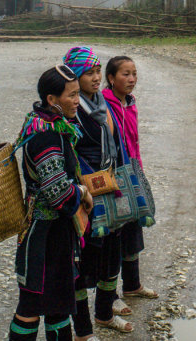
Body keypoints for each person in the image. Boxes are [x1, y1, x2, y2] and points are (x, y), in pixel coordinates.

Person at [8, 64, 92, 341]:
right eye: (71, 95)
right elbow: (58, 193)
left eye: (78, 94)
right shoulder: (46, 136)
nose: (77, 101)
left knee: (58, 305)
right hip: (43, 238)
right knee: (31, 307)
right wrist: (83, 191)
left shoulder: (48, 125)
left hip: (54, 233)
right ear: (51, 100)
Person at [63, 46, 133, 337]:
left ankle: (104, 313)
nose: (95, 78)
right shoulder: (73, 112)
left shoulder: (102, 105)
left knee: (111, 256)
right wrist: (88, 183)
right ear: (74, 77)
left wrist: (125, 179)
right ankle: (83, 329)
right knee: (83, 262)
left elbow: (118, 147)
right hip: (87, 197)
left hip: (110, 189)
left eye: (96, 72)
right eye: (87, 73)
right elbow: (70, 154)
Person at [102, 56, 159, 302]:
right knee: (115, 229)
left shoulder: (130, 103)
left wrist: (139, 171)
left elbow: (134, 142)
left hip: (133, 169)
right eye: (125, 74)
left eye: (134, 74)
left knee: (134, 224)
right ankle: (109, 297)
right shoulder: (103, 103)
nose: (132, 79)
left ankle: (132, 285)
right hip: (115, 174)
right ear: (111, 78)